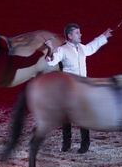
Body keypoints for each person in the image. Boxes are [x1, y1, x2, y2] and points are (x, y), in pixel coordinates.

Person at [45, 23, 113, 153]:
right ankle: (66, 144)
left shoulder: (82, 48)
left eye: (79, 32)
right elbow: (52, 62)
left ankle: (85, 144)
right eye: (77, 33)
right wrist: (50, 49)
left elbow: (92, 47)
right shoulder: (62, 50)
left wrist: (104, 36)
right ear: (70, 36)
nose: (80, 34)